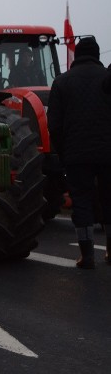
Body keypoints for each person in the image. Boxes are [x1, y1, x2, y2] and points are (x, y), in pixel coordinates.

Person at [47, 36, 111, 268]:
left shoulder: (62, 82)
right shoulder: (107, 78)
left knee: (82, 201)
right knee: (109, 198)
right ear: (96, 54)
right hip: (108, 153)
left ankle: (87, 255)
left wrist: (64, 153)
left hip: (76, 154)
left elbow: (53, 125)